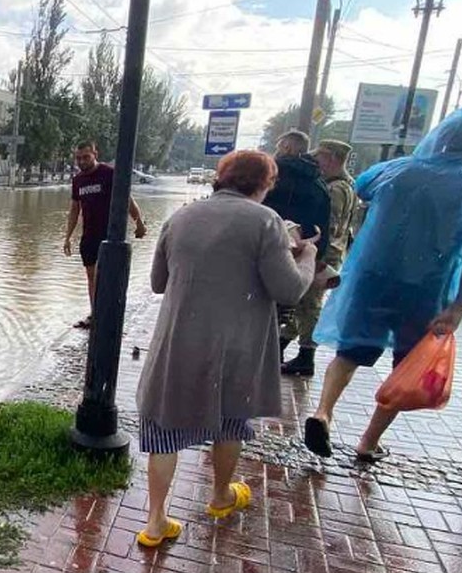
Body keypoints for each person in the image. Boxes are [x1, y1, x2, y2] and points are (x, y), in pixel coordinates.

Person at [135, 151, 316, 547]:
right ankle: (220, 496)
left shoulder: (180, 216)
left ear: (222, 178)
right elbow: (288, 289)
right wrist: (307, 259)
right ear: (264, 184)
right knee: (231, 417)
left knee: (164, 428)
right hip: (239, 345)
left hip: (178, 342)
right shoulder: (266, 221)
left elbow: (158, 282)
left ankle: (154, 522)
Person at [304, 107, 462, 461]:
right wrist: (459, 305)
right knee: (408, 367)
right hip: (426, 289)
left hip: (372, 279)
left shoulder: (397, 171)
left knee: (349, 351)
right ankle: (368, 441)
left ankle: (323, 412)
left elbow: (362, 185)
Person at [281, 139, 359, 377]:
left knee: (310, 304)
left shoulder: (335, 189)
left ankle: (306, 355)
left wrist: (310, 249)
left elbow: (327, 226)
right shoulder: (348, 185)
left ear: (333, 159)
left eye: (321, 157)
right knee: (300, 303)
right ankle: (281, 345)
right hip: (329, 251)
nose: (317, 161)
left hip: (323, 254)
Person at [63, 141, 147, 329]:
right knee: (91, 276)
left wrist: (139, 222)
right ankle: (95, 315)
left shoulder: (109, 174)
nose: (82, 161)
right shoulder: (78, 181)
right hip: (89, 235)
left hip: (110, 234)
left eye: (86, 157)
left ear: (95, 154)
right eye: (78, 158)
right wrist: (67, 236)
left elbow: (127, 199)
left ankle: (108, 314)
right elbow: (75, 209)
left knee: (105, 276)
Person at [263, 130, 331, 350]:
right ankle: (274, 357)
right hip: (300, 256)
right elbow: (324, 224)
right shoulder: (319, 183)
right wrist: (315, 257)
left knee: (259, 309)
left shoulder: (270, 177)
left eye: (279, 145)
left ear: (287, 148)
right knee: (284, 310)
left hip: (264, 251)